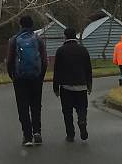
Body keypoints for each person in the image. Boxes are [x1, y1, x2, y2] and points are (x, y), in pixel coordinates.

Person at [7, 15, 48, 147]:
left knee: (23, 107)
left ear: (20, 25)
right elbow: (44, 60)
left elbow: (9, 60)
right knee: (36, 105)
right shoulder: (38, 39)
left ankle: (27, 135)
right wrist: (41, 75)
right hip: (36, 78)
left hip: (20, 79)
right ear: (32, 25)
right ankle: (37, 132)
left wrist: (12, 75)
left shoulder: (14, 40)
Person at [53, 28, 93, 142]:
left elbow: (57, 71)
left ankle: (70, 134)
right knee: (82, 107)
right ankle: (82, 120)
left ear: (65, 36)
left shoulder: (61, 51)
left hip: (66, 86)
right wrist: (89, 85)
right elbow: (88, 69)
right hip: (81, 85)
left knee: (67, 111)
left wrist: (56, 87)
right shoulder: (83, 50)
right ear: (75, 36)